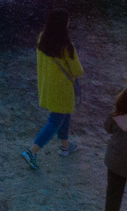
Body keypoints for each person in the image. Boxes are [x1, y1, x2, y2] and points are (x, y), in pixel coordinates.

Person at [20, 9, 83, 169]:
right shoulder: (66, 46)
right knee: (55, 120)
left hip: (47, 86)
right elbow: (77, 71)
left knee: (64, 113)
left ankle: (65, 145)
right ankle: (32, 151)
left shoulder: (43, 38)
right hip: (62, 89)